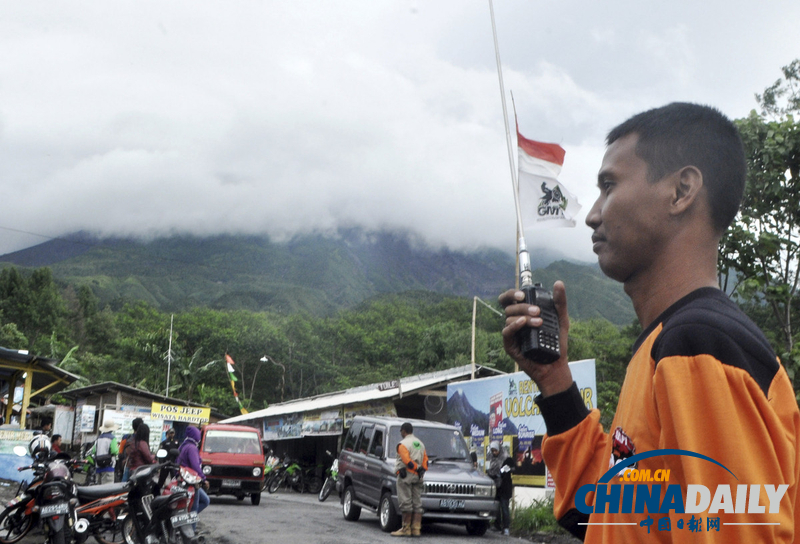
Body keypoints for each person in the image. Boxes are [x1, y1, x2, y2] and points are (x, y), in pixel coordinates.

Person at [500, 102, 800, 542]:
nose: (593, 214)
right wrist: (554, 378)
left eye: (609, 186)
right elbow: (604, 516)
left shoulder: (699, 347)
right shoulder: (664, 345)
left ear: (681, 191)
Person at [391, 422, 428, 537]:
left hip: (405, 476)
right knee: (417, 503)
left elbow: (406, 460)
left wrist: (415, 467)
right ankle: (416, 529)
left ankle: (406, 529)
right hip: (418, 476)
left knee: (406, 502)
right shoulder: (420, 444)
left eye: (401, 431)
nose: (401, 433)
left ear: (403, 431)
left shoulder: (403, 444)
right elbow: (425, 459)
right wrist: (421, 469)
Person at [176, 426, 210, 531]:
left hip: (186, 480)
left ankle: (185, 522)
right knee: (194, 509)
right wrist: (204, 479)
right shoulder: (191, 448)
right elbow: (195, 466)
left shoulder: (185, 445)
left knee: (205, 500)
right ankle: (190, 532)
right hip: (191, 481)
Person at [486, 441, 513, 535]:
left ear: (499, 449)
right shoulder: (492, 459)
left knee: (504, 507)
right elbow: (490, 470)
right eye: (492, 451)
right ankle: (497, 525)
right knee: (496, 507)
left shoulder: (506, 457)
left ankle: (506, 528)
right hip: (496, 487)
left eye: (495, 451)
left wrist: (500, 472)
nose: (494, 453)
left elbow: (511, 468)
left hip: (504, 487)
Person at [90, 419, 119, 484]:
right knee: (107, 488)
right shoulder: (112, 438)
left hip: (98, 466)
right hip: (108, 467)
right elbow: (114, 451)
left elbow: (94, 451)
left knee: (99, 488)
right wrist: (118, 449)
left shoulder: (99, 438)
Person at [119, 417, 143, 482]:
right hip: (139, 467)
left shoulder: (126, 437)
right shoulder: (143, 439)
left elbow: (120, 452)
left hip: (128, 465)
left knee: (123, 486)